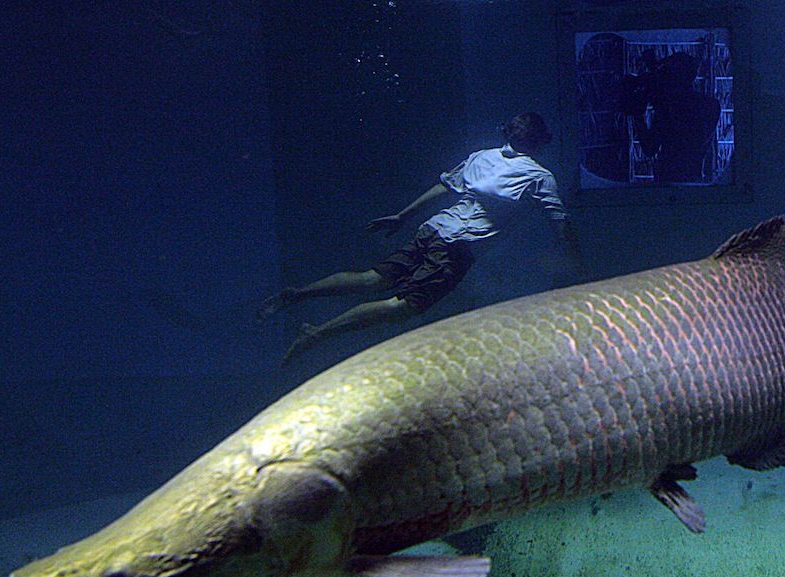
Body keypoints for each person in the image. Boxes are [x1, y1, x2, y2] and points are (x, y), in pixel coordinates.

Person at [259, 111, 585, 366]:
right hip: (456, 248)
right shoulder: (540, 177)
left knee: (372, 279)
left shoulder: (481, 156)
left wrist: (403, 216)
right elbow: (560, 222)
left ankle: (298, 294)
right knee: (404, 306)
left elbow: (444, 186)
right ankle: (316, 333)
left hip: (432, 229)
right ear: (541, 141)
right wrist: (575, 262)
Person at [620, 52, 722, 183]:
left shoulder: (669, 107)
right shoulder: (711, 105)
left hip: (667, 179)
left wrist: (638, 115)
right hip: (694, 178)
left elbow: (650, 148)